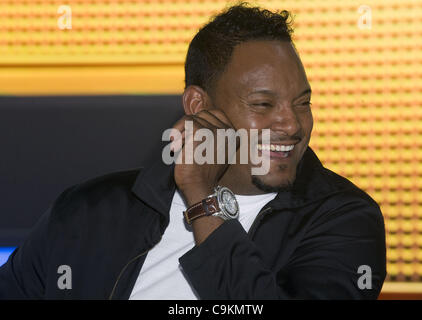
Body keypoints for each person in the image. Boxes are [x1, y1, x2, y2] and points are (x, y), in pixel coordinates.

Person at [0, 3, 386, 300]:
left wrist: (203, 200)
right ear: (199, 106)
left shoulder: (345, 219)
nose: (293, 125)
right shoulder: (88, 211)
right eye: (263, 105)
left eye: (302, 103)